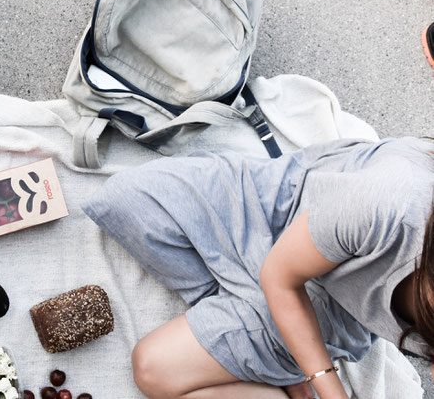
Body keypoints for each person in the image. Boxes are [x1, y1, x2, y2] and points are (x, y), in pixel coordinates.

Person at [83, 136, 434, 399]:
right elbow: (279, 276)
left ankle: (265, 334)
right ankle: (260, 329)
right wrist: (327, 384)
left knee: (154, 367)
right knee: (124, 199)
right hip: (287, 202)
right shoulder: (391, 202)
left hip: (337, 302)